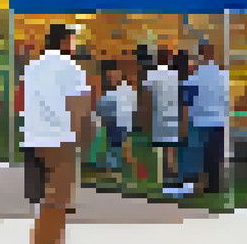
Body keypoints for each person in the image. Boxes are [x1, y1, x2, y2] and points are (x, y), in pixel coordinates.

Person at [20, 24, 94, 244]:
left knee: (47, 206)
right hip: (59, 141)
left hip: (33, 140)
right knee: (56, 206)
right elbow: (80, 109)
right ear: (65, 41)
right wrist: (83, 142)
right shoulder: (71, 69)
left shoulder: (32, 66)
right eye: (73, 38)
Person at [185, 43, 229, 196]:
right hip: (218, 120)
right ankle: (215, 186)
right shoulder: (223, 76)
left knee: (201, 156)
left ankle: (202, 186)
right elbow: (227, 98)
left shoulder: (194, 77)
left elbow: (188, 100)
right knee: (216, 156)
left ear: (200, 54)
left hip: (199, 120)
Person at [144, 48, 183, 194]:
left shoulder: (151, 75)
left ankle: (164, 179)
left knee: (161, 150)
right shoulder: (175, 75)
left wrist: (146, 117)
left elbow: (147, 97)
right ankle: (171, 179)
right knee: (171, 149)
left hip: (158, 115)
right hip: (173, 115)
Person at [97, 61, 138, 172]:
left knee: (118, 145)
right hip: (115, 122)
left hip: (121, 122)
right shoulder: (112, 92)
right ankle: (113, 165)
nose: (111, 79)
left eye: (113, 76)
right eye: (109, 77)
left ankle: (116, 165)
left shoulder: (126, 90)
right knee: (114, 145)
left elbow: (133, 107)